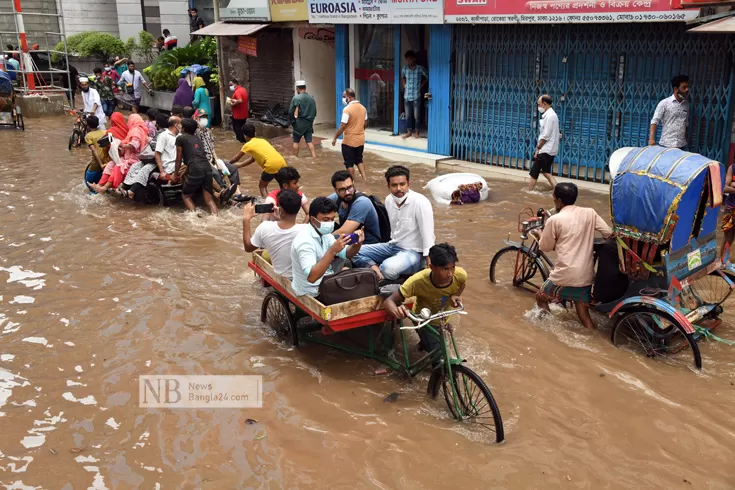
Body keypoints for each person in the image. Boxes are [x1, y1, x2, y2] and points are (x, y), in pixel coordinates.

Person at [534, 182, 613, 330]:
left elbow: (545, 247)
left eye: (553, 197)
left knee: (541, 296)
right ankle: (593, 336)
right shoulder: (590, 212)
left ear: (558, 200)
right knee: (583, 314)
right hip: (586, 275)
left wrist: (540, 234)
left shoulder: (554, 220)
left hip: (565, 274)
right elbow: (608, 233)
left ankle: (547, 329)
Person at [353, 165, 434, 281]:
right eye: (394, 185)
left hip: (415, 252)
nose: (399, 189)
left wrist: (429, 265)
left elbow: (428, 236)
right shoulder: (389, 200)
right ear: (388, 186)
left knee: (388, 268)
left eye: (402, 184)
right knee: (350, 251)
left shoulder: (420, 202)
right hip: (393, 245)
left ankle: (403, 272)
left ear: (408, 183)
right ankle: (374, 267)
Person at [384, 243, 465, 353]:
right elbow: (389, 301)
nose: (450, 274)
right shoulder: (416, 281)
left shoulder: (460, 275)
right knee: (440, 357)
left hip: (442, 317)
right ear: (432, 267)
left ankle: (424, 345)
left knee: (440, 348)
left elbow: (462, 284)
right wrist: (397, 311)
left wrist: (457, 295)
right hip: (423, 320)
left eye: (453, 268)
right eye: (445, 269)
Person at [290, 197, 364, 297]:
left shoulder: (325, 234)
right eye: (326, 220)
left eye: (332, 219)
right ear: (312, 219)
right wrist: (332, 251)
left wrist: (357, 244)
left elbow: (346, 254)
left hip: (325, 280)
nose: (330, 223)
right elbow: (312, 277)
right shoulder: (304, 241)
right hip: (311, 290)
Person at [243, 190, 307, 279]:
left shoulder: (264, 228)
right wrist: (280, 218)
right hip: (303, 279)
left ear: (280, 209)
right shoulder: (307, 230)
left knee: (265, 254)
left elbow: (248, 247)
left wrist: (246, 219)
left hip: (282, 278)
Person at [91, 114, 149, 194]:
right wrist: (121, 144)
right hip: (125, 155)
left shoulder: (136, 130)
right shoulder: (129, 130)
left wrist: (123, 145)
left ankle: (104, 187)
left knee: (117, 167)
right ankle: (99, 185)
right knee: (111, 164)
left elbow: (134, 144)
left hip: (133, 158)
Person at [228, 123, 288, 197]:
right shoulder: (262, 140)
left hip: (270, 165)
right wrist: (239, 165)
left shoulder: (248, 145)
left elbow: (236, 158)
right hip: (282, 162)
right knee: (284, 186)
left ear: (245, 135)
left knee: (262, 186)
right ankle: (286, 202)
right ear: (255, 133)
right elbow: (253, 159)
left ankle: (268, 204)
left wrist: (228, 164)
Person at [175, 117, 218, 216]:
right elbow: (195, 159)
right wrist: (182, 174)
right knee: (209, 199)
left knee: (186, 195)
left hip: (196, 168)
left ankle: (194, 218)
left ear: (184, 129)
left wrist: (175, 174)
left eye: (181, 126)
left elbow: (178, 159)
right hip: (207, 168)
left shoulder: (180, 138)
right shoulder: (197, 139)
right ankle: (216, 219)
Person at [194, 109, 239, 202]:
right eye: (202, 117)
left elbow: (212, 148)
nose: (204, 119)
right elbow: (199, 152)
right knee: (215, 172)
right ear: (196, 119)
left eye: (205, 117)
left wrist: (217, 159)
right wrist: (210, 164)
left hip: (212, 159)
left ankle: (237, 193)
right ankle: (223, 191)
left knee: (233, 168)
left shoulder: (208, 131)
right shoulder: (195, 133)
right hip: (204, 161)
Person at [328, 170, 381, 245]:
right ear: (336, 190)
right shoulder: (336, 198)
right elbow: (317, 210)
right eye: (342, 190)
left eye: (350, 187)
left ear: (353, 183)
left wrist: (322, 241)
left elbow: (344, 232)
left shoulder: (362, 202)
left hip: (367, 244)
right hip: (351, 239)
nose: (347, 192)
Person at [332, 88, 368, 183]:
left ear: (349, 97)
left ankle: (352, 182)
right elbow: (365, 123)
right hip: (360, 139)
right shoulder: (363, 108)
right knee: (359, 160)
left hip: (349, 141)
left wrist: (335, 137)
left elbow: (343, 125)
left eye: (344, 97)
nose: (343, 99)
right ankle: (365, 179)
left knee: (349, 163)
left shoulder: (347, 109)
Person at [528, 94, 560, 192]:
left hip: (546, 149)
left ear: (544, 104)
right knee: (546, 172)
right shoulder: (551, 115)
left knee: (534, 171)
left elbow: (546, 135)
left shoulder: (550, 116)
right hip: (550, 149)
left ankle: (528, 191)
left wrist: (538, 148)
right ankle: (558, 190)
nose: (538, 107)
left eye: (538, 104)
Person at [649, 74, 690, 150]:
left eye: (687, 87)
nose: (687, 90)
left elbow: (686, 123)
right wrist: (651, 138)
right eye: (684, 87)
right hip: (666, 145)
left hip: (682, 145)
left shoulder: (686, 105)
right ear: (676, 89)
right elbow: (655, 121)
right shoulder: (664, 103)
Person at [400, 50, 428, 140]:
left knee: (416, 116)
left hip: (416, 95)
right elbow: (402, 77)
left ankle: (417, 132)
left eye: (411, 59)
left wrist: (421, 86)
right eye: (408, 59)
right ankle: (409, 132)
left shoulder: (420, 69)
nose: (409, 61)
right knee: (408, 115)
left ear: (414, 59)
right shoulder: (404, 69)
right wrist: (404, 85)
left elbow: (427, 77)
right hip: (407, 96)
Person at [289, 80, 317, 158]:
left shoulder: (296, 98)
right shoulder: (312, 98)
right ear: (305, 88)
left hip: (299, 124)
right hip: (309, 124)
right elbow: (315, 112)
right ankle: (314, 157)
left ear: (298, 88)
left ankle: (295, 158)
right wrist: (310, 122)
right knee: (309, 142)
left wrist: (293, 122)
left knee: (296, 142)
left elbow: (291, 112)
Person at [84, 116, 110, 189]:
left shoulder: (88, 136)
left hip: (96, 162)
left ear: (88, 125)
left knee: (88, 182)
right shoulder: (106, 132)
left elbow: (94, 150)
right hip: (108, 161)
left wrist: (100, 164)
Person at [154, 116, 181, 180]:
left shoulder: (180, 136)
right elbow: (157, 154)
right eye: (181, 124)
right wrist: (162, 171)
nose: (182, 126)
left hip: (180, 166)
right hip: (169, 167)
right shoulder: (163, 135)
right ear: (176, 125)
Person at [229, 78, 249, 142]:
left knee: (237, 129)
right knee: (242, 128)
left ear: (235, 84)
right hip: (244, 114)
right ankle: (243, 140)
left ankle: (242, 142)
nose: (230, 87)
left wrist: (233, 104)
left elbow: (240, 100)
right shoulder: (243, 90)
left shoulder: (237, 91)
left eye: (231, 85)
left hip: (238, 115)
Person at [722, 164, 735, 254]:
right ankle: (723, 262)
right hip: (731, 206)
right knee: (727, 235)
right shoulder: (732, 167)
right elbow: (725, 188)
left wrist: (733, 185)